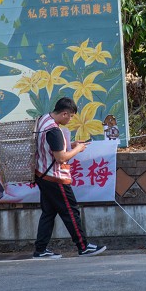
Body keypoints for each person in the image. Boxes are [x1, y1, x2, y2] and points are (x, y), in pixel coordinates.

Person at [32, 97, 107, 259]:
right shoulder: (54, 130)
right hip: (55, 177)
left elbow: (51, 146)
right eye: (71, 116)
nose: (71, 119)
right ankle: (83, 246)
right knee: (70, 211)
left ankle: (40, 250)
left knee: (49, 213)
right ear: (64, 114)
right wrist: (78, 149)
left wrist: (70, 144)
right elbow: (61, 158)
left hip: (42, 174)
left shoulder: (44, 119)